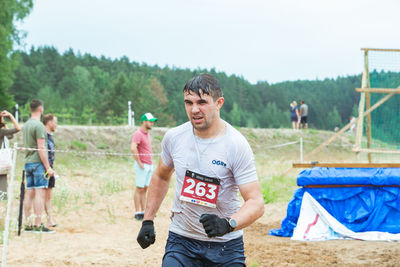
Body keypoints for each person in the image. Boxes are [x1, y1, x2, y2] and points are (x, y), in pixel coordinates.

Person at [136, 74, 264, 266]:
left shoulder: (236, 145)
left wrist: (228, 224)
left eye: (202, 102)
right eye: (189, 102)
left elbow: (256, 202)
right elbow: (162, 176)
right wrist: (148, 220)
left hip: (225, 246)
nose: (194, 109)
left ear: (219, 102)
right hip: (182, 241)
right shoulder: (174, 137)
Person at [22, 100, 55, 233]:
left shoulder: (26, 125)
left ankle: (28, 223)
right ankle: (37, 225)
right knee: (39, 195)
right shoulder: (39, 126)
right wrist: (48, 167)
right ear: (40, 109)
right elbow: (41, 148)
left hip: (28, 162)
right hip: (38, 164)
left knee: (29, 194)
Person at [131, 112, 157, 221]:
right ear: (144, 121)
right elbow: (133, 148)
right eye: (150, 122)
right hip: (143, 165)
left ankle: (143, 211)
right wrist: (139, 162)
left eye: (153, 122)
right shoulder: (138, 133)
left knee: (145, 188)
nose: (152, 124)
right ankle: (138, 212)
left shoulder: (146, 134)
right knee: (139, 188)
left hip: (149, 164)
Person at [0, 110, 21, 199]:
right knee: (2, 182)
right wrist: (11, 116)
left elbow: (10, 136)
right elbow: (17, 129)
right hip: (1, 161)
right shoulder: (1, 131)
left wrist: (4, 125)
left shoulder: (2, 132)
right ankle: (3, 200)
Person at [43, 114, 58, 227]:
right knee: (39, 195)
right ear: (49, 122)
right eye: (55, 122)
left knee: (48, 196)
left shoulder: (50, 137)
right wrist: (47, 168)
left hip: (50, 168)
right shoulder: (43, 137)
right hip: (44, 169)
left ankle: (49, 220)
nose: (56, 125)